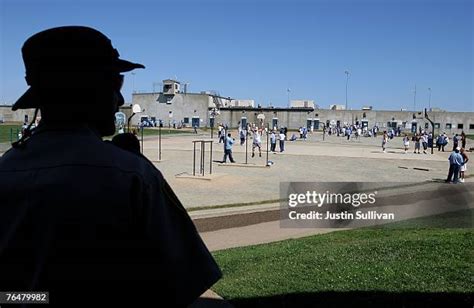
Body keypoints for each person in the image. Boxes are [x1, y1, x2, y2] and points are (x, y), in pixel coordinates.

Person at [0, 26, 221, 306]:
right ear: (87, 90)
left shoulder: (5, 168)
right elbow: (186, 281)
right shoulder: (130, 175)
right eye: (114, 87)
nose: (119, 101)